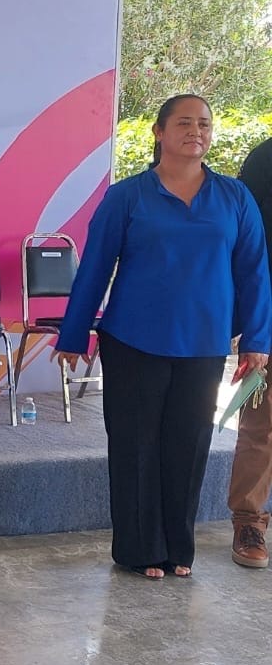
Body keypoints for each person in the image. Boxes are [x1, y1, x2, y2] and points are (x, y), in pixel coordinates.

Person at [57, 94, 271, 580]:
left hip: (204, 344)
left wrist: (258, 340)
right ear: (159, 132)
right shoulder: (127, 196)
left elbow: (255, 272)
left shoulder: (235, 197)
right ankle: (139, 550)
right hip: (132, 340)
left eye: (204, 124)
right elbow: (95, 267)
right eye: (184, 123)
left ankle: (177, 549)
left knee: (188, 446)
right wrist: (73, 335)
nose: (196, 131)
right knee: (135, 446)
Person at [227, 131, 272, 567]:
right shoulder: (265, 159)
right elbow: (246, 250)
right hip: (268, 318)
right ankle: (249, 521)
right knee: (261, 425)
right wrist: (250, 327)